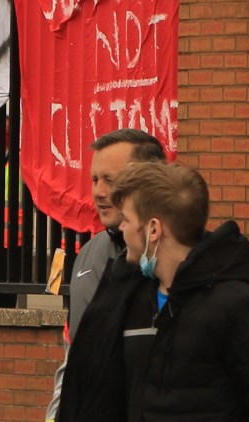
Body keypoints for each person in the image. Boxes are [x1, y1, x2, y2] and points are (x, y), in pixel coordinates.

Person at [58, 162, 249, 421]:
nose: (120, 229)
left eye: (127, 220)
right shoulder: (127, 298)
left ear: (154, 229)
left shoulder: (242, 306)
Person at [45, 129, 165, 422]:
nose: (98, 192)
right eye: (95, 180)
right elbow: (74, 361)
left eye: (111, 181)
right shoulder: (88, 257)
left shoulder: (177, 258)